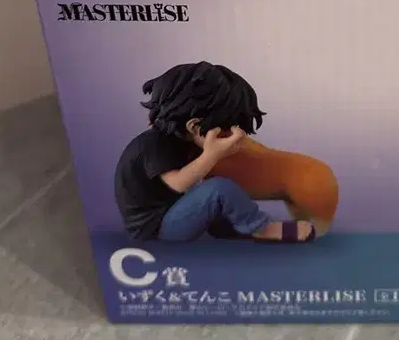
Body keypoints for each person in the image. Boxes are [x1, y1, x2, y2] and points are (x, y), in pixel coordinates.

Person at [114, 61, 315, 244]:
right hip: (156, 229)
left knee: (217, 184)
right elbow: (178, 183)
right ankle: (263, 229)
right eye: (223, 129)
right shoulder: (154, 143)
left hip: (172, 213)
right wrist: (212, 155)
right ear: (194, 126)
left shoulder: (183, 140)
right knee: (218, 188)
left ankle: (238, 226)